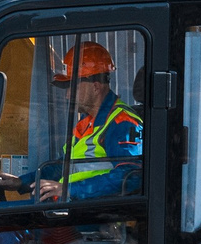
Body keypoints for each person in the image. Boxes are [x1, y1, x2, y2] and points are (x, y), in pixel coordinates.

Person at [37, 42, 142, 201]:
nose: (67, 96)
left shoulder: (122, 123)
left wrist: (70, 190)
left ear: (96, 87)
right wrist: (20, 182)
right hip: (70, 206)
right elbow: (62, 167)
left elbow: (132, 176)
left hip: (91, 214)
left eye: (73, 88)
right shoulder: (87, 123)